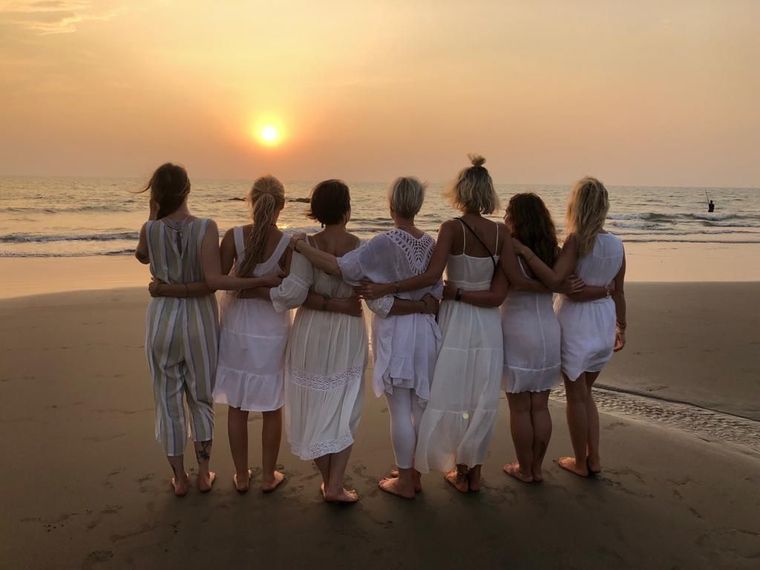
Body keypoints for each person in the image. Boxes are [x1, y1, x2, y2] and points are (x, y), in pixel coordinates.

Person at [359, 156, 549, 493]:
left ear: (460, 192)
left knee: (453, 394)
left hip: (456, 318)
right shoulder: (500, 233)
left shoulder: (450, 228)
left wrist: (391, 287)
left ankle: (451, 472)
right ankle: (473, 473)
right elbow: (500, 293)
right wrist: (551, 282)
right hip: (487, 324)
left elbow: (432, 277)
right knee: (481, 399)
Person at [135, 163, 282, 497]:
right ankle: (203, 474)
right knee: (201, 399)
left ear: (156, 194)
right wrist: (260, 280)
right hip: (199, 322)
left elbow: (142, 256)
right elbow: (214, 280)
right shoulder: (205, 227)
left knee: (167, 401)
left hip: (162, 320)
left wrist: (153, 214)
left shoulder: (150, 228)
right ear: (188, 189)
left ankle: (179, 479)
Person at [293, 177, 441, 500]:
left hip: (397, 331)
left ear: (391, 205)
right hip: (427, 332)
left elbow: (344, 270)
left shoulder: (382, 243)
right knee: (420, 406)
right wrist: (422, 306)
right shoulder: (431, 243)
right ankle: (413, 475)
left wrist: (302, 247)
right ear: (418, 205)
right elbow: (436, 293)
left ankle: (405, 480)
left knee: (399, 409)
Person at [253, 180, 369, 503]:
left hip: (311, 332)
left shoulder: (305, 245)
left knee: (312, 406)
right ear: (347, 210)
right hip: (347, 332)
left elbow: (293, 294)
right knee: (345, 406)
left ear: (316, 211)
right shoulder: (361, 247)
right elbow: (361, 284)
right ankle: (335, 484)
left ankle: (329, 482)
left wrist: (257, 287)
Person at [514, 176, 626, 477]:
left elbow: (558, 281)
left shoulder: (576, 242)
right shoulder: (617, 244)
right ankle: (594, 458)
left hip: (577, 322)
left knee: (576, 395)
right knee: (586, 393)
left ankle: (580, 462)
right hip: (603, 320)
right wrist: (621, 326)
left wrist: (526, 252)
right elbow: (619, 291)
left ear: (577, 205)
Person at [212, 175, 291, 493]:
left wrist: (246, 284)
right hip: (271, 327)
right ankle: (269, 476)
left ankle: (242, 476)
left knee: (238, 404)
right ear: (282, 205)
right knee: (272, 406)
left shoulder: (234, 236)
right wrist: (263, 284)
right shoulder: (288, 243)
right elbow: (287, 291)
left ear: (251, 201)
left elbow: (218, 279)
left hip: (237, 325)